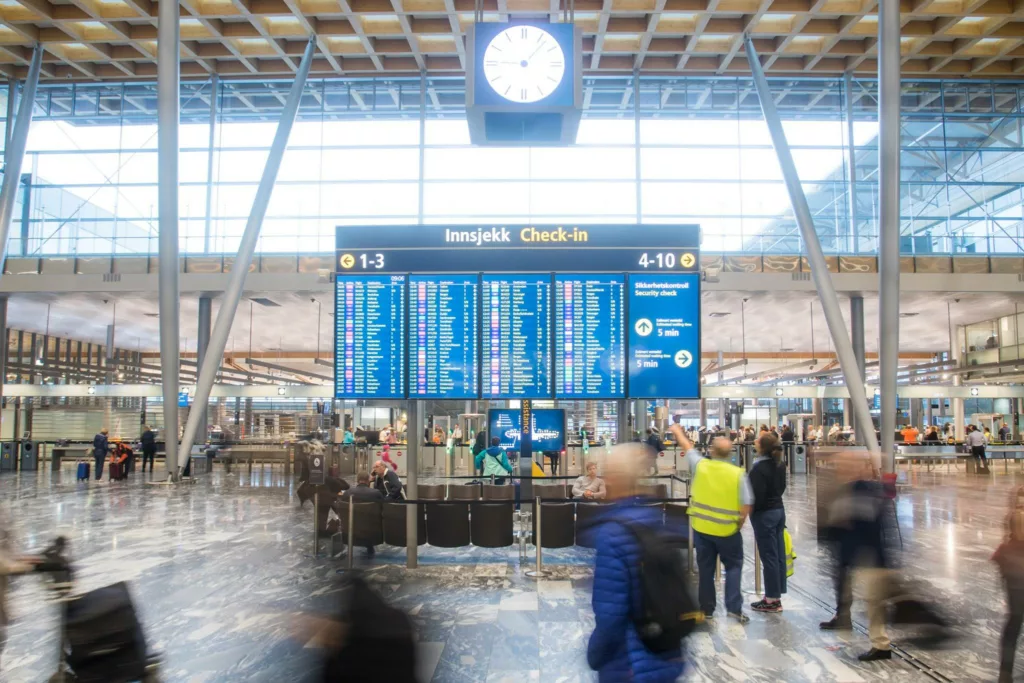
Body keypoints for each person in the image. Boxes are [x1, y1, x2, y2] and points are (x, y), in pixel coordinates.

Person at [585, 443, 685, 682]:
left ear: (615, 479)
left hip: (629, 664)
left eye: (609, 473)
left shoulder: (613, 533)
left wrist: (595, 656)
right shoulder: (660, 521)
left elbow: (610, 615)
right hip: (668, 654)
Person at [820, 451, 894, 661]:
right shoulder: (846, 489)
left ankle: (881, 645)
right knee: (853, 593)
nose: (842, 470)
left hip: (868, 556)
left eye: (847, 466)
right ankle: (843, 618)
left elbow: (864, 526)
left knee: (874, 600)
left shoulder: (865, 490)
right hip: (851, 555)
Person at [684, 428, 753, 624]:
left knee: (705, 571)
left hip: (702, 529)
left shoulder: (701, 466)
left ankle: (706, 609)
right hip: (728, 531)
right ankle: (733, 608)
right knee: (733, 567)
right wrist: (738, 524)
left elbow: (688, 448)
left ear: (711, 450)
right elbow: (746, 504)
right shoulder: (738, 474)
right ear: (730, 453)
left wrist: (677, 431)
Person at [749, 432, 787, 613]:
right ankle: (776, 594)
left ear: (762, 447)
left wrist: (752, 511)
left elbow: (756, 495)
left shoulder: (758, 469)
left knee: (769, 557)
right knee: (778, 555)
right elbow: (782, 488)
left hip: (765, 515)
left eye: (757, 440)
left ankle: (772, 600)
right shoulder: (780, 465)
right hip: (779, 511)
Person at [994, 487, 1024, 683]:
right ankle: (1005, 672)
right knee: (1014, 621)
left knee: (1014, 622)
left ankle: (1005, 672)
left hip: (1013, 570)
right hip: (1016, 572)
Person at [341, 470, 385, 556]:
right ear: (368, 480)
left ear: (357, 480)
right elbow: (383, 509)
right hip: (371, 532)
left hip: (350, 529)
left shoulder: (347, 493)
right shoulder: (376, 493)